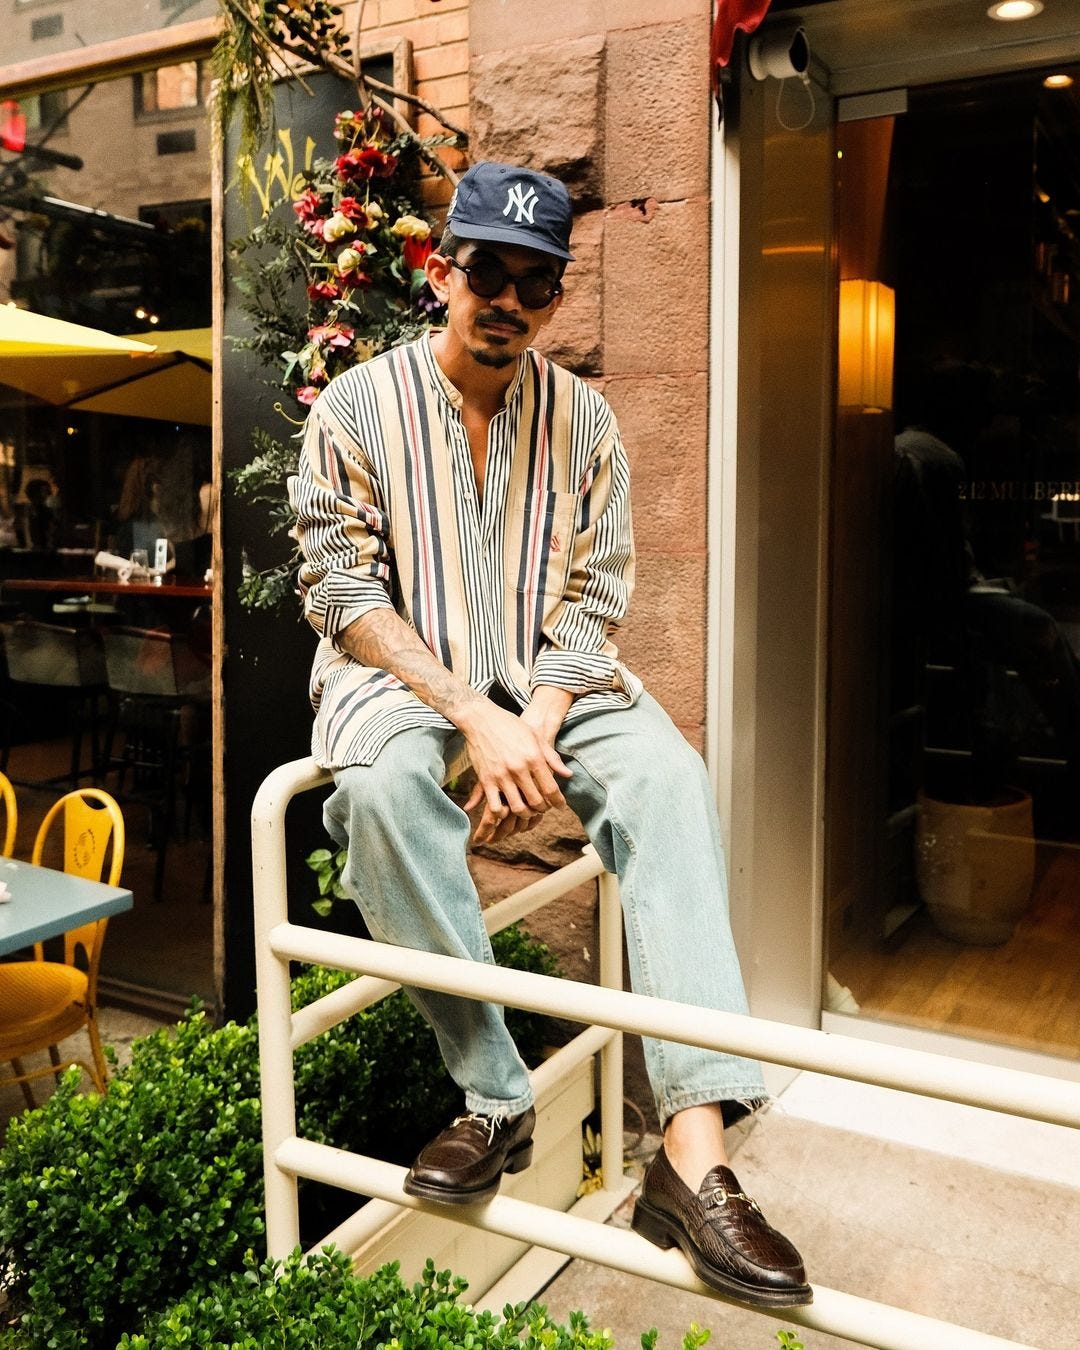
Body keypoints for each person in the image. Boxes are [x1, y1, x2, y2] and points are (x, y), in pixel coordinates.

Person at [290, 160, 810, 1309]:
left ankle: (694, 1161)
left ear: (558, 298)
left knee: (672, 781)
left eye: (538, 282)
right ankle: (496, 1097)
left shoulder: (586, 420)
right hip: (403, 671)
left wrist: (538, 718)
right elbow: (339, 589)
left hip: (555, 678)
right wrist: (471, 713)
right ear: (442, 271)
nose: (509, 300)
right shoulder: (355, 408)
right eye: (489, 271)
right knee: (377, 798)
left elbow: (596, 596)